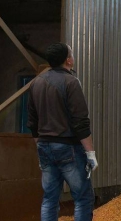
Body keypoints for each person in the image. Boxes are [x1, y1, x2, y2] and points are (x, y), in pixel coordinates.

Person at [27, 42, 98, 221]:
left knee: (49, 199)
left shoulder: (35, 83)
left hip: (44, 146)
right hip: (68, 148)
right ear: (68, 61)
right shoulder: (71, 82)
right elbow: (80, 121)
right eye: (72, 54)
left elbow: (32, 123)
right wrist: (90, 153)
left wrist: (40, 147)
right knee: (82, 198)